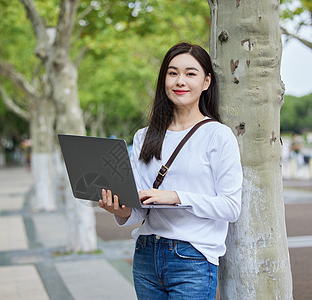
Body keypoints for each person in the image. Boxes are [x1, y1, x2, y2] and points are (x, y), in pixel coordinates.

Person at [99, 42, 243, 300]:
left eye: (191, 73)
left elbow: (231, 207)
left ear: (207, 81)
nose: (180, 81)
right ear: (164, 79)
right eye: (172, 73)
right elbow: (141, 206)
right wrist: (119, 210)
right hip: (146, 254)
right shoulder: (144, 136)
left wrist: (177, 196)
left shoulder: (218, 136)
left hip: (193, 259)